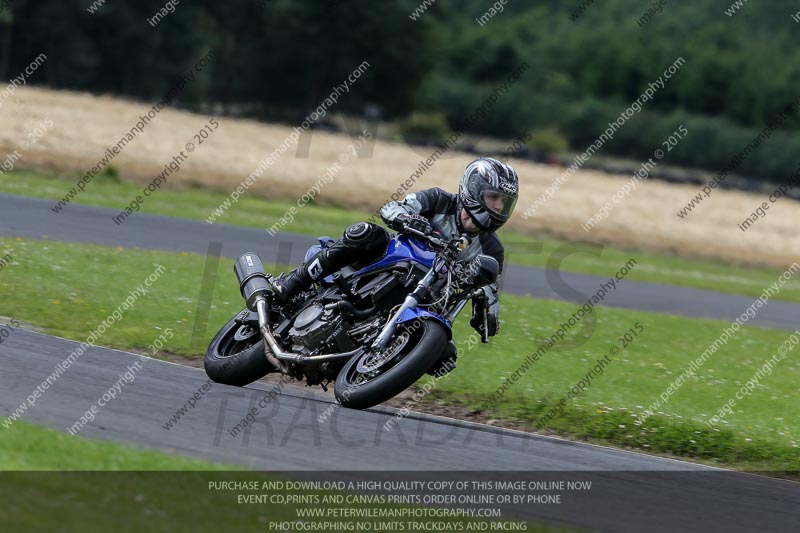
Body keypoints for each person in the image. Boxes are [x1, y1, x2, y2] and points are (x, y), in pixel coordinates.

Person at [271, 157, 519, 342]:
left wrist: (488, 314)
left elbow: (490, 291)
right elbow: (393, 207)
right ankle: (294, 282)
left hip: (429, 296)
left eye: (504, 203)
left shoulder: (492, 248)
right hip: (395, 261)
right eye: (493, 198)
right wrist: (407, 219)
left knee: (445, 352)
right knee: (366, 233)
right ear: (474, 189)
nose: (498, 207)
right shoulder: (438, 200)